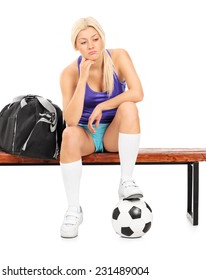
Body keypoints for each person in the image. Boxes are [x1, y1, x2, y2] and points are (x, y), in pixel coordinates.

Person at [59, 17, 144, 238]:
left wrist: (103, 106)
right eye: (84, 42)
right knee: (68, 134)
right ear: (76, 46)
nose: (91, 46)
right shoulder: (69, 73)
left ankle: (126, 181)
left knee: (129, 107)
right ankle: (73, 210)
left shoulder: (119, 57)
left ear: (102, 38)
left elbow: (138, 92)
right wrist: (82, 78)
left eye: (95, 39)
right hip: (85, 136)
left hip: (114, 135)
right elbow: (70, 119)